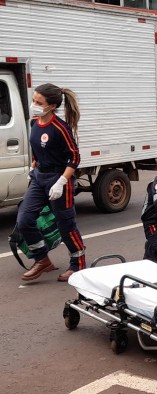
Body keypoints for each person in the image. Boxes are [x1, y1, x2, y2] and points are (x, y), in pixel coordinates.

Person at [18, 83, 86, 282]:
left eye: (39, 102)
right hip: (39, 178)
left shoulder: (60, 128)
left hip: (58, 180)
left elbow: (74, 157)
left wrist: (62, 181)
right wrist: (33, 166)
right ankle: (42, 259)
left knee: (66, 225)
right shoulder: (34, 122)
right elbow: (37, 149)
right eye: (33, 100)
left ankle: (78, 264)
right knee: (24, 220)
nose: (34, 105)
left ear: (52, 105)